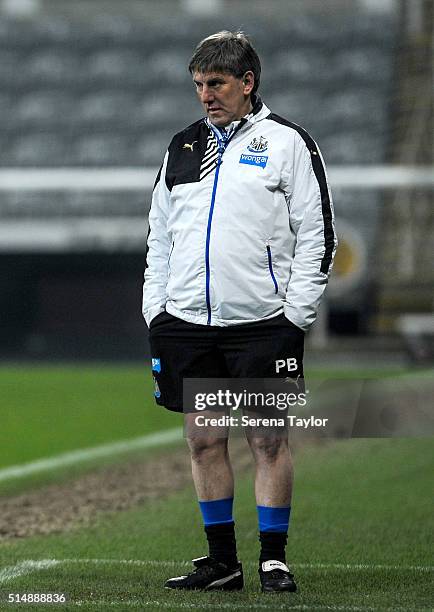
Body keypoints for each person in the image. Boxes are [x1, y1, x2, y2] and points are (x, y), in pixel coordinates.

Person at [142, 30, 337, 593]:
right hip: (186, 323)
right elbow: (159, 235)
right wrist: (157, 307)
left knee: (267, 439)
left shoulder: (289, 143)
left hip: (262, 326)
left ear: (247, 83)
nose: (206, 95)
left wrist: (294, 316)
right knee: (204, 439)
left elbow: (318, 232)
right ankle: (221, 563)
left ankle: (273, 559)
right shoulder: (182, 146)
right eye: (199, 84)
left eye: (217, 83)